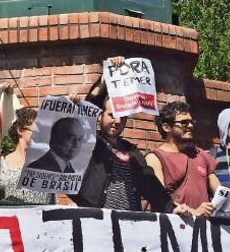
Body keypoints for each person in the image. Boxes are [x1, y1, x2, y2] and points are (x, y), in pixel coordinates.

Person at [71, 75, 177, 213]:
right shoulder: (91, 143)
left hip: (130, 225)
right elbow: (87, 115)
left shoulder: (132, 152)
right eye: (112, 115)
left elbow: (152, 186)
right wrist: (104, 79)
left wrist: (173, 209)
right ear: (100, 115)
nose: (117, 121)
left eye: (123, 117)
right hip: (97, 222)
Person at [145, 101, 220, 216]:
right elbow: (159, 198)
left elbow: (220, 194)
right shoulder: (155, 157)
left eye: (191, 122)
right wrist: (193, 212)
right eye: (184, 123)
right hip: (173, 227)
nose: (190, 126)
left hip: (203, 228)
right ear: (166, 127)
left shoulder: (200, 154)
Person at [0, 107, 56, 204]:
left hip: (40, 217)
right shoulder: (2, 164)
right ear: (20, 130)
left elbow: (53, 200)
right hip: (13, 218)